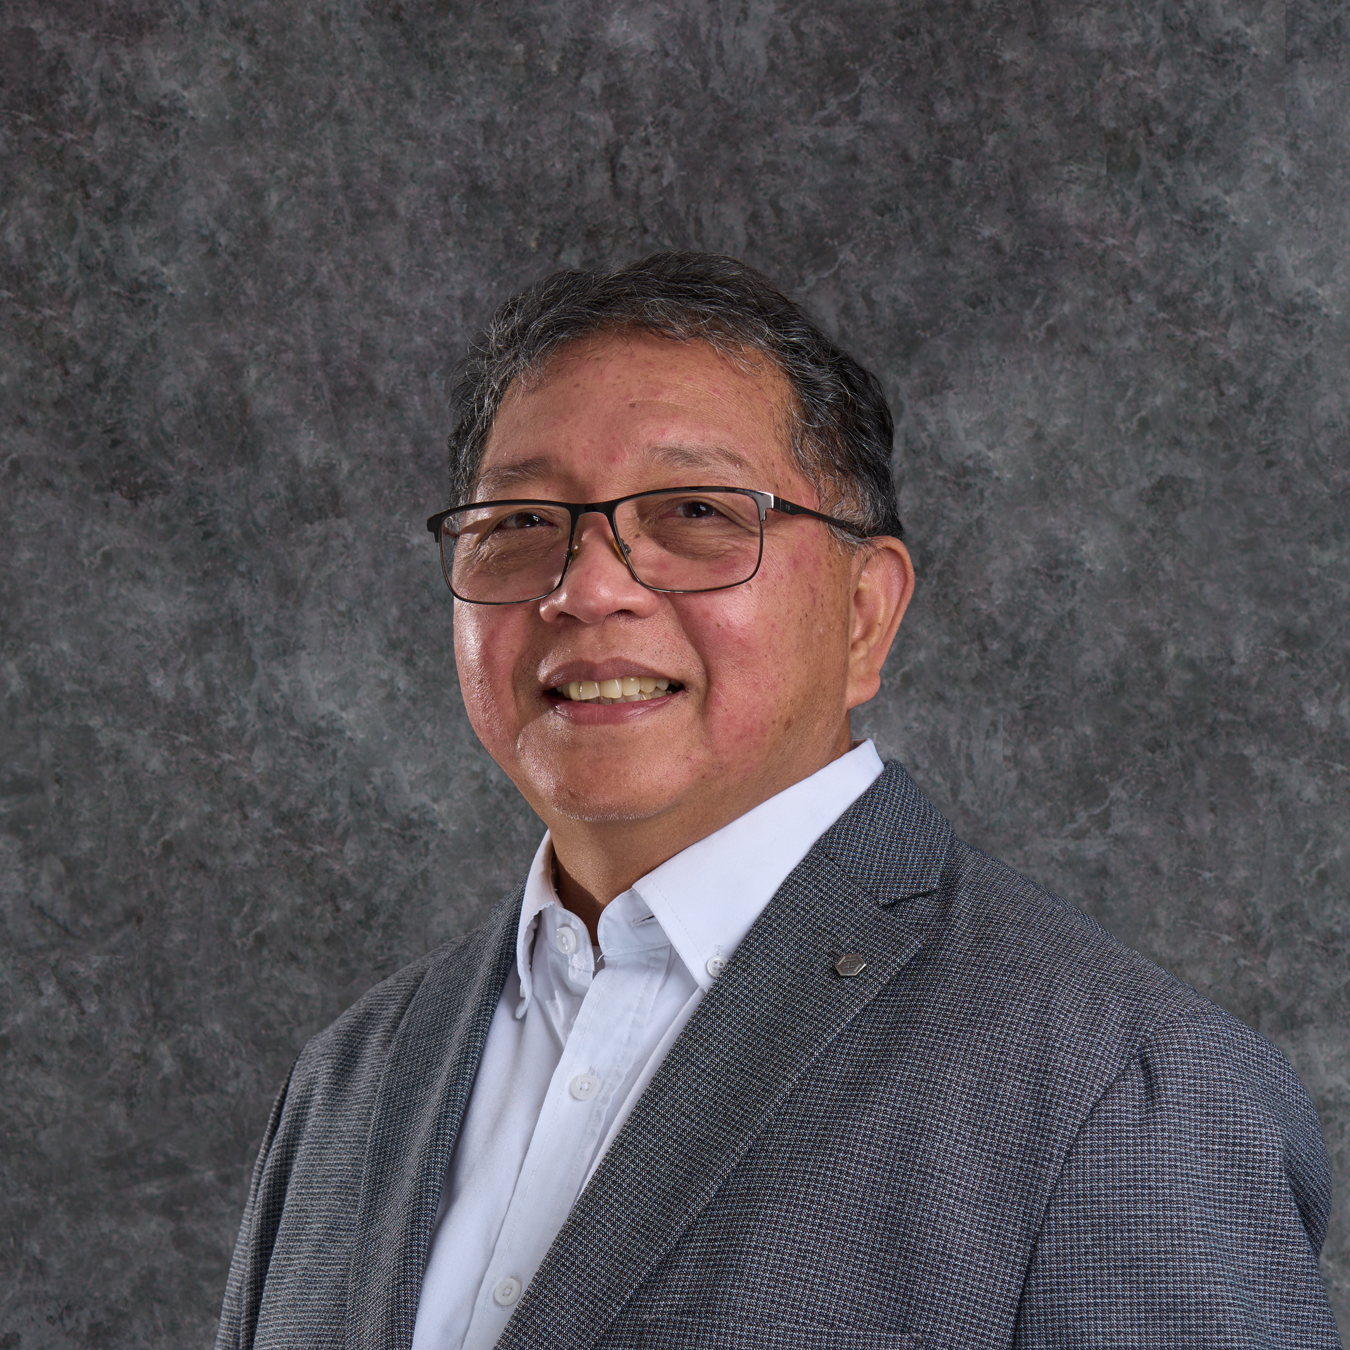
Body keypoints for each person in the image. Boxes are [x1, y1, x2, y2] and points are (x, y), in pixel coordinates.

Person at [215, 253, 1338, 1350]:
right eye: (519, 523)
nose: (587, 588)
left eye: (696, 511)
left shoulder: (1124, 1090)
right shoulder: (350, 1083)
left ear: (864, 612)